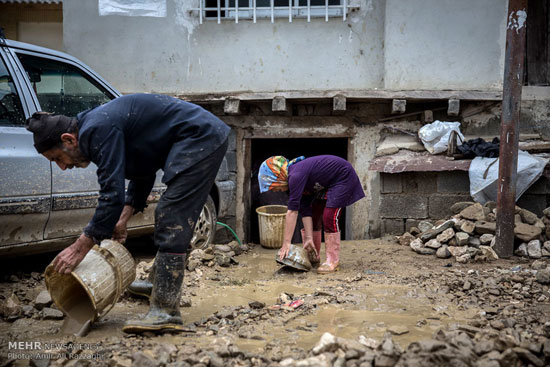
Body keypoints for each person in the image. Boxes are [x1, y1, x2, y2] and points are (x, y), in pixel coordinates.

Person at [25, 93, 230, 333]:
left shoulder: (95, 130)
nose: (62, 166)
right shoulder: (97, 127)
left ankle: (166, 310)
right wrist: (122, 220)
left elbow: (111, 195)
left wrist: (80, 247)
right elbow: (143, 170)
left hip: (201, 137)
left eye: (57, 158)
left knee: (171, 214)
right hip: (198, 136)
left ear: (68, 139)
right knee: (168, 212)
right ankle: (157, 285)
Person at [258, 155, 364, 273]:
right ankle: (313, 255)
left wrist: (286, 243)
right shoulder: (294, 179)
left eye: (273, 187)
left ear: (278, 177)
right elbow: (305, 210)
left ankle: (332, 260)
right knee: (314, 213)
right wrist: (308, 238)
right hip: (326, 183)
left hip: (343, 176)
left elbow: (292, 211)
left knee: (329, 216)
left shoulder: (295, 175)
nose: (274, 191)